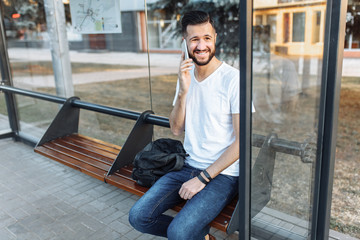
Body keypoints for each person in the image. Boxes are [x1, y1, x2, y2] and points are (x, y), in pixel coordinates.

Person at [129, 10, 246, 240]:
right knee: (138, 217)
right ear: (185, 43)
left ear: (215, 39)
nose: (201, 46)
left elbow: (242, 143)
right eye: (194, 39)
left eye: (206, 38)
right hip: (186, 165)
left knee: (179, 232)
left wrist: (202, 179)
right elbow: (175, 128)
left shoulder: (234, 80)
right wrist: (183, 92)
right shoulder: (186, 75)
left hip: (222, 175)